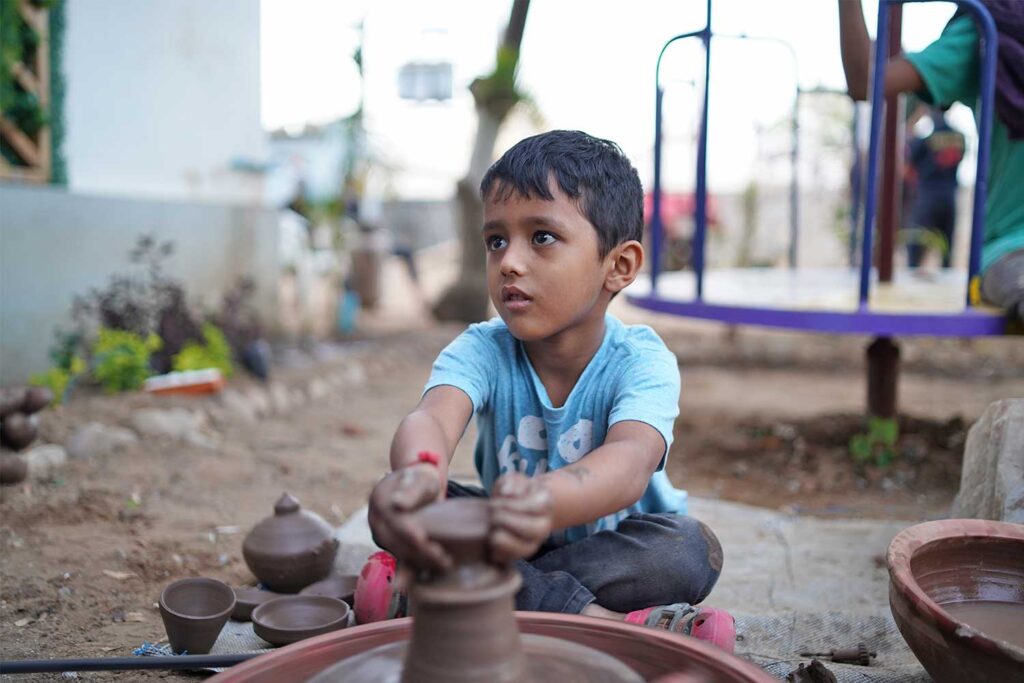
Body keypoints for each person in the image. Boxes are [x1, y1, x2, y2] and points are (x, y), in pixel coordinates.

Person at [361, 130, 733, 649]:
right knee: (388, 502)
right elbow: (432, 418)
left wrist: (541, 501)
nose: (510, 261)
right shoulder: (482, 347)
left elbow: (629, 462)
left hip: (611, 551)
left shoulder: (643, 361)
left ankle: (447, 592)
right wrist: (420, 471)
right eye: (496, 240)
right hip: (502, 535)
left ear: (618, 266)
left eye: (541, 237)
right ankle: (606, 624)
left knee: (689, 550)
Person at [838, 0, 1024, 320]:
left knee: (932, 239)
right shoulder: (990, 31)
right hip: (1012, 246)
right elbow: (864, 81)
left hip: (939, 196)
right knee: (922, 242)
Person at [905, 107, 965, 270]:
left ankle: (913, 271)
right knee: (947, 246)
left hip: (927, 195)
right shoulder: (959, 137)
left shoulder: (924, 140)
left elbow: (908, 161)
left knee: (916, 245)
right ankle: (946, 272)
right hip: (949, 196)